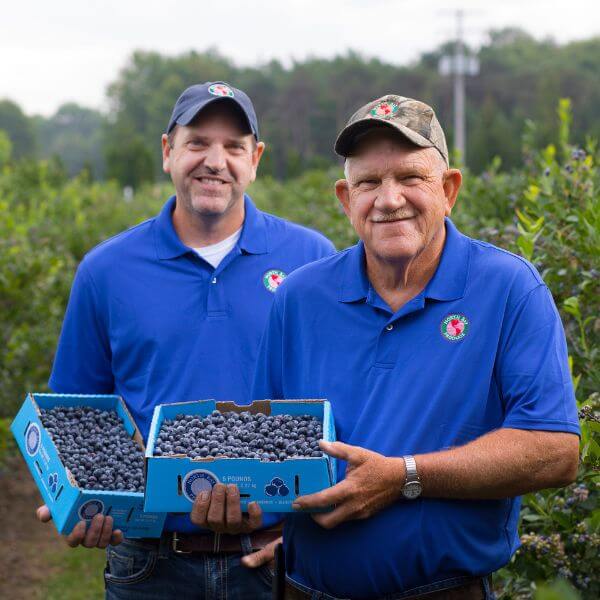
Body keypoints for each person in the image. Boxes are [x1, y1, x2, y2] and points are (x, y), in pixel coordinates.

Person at [252, 95, 580, 600]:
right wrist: (239, 503)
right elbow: (264, 441)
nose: (388, 199)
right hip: (304, 589)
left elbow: (554, 450)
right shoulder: (299, 298)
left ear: (449, 190)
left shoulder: (508, 289)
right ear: (345, 198)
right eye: (368, 183)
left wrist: (406, 476)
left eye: (410, 178)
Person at [36, 81, 335, 599]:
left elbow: (338, 400)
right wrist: (77, 493)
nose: (214, 161)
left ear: (255, 158)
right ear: (167, 152)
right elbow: (78, 413)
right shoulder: (107, 270)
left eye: (234, 146)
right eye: (197, 142)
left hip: (275, 559)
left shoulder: (312, 259)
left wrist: (310, 520)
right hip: (149, 564)